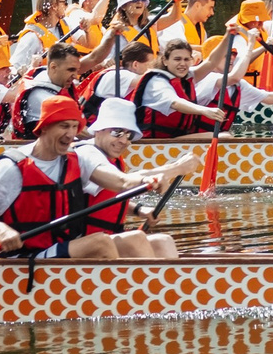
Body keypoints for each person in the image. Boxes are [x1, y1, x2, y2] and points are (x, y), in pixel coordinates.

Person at [0, 96, 96, 258]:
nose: (71, 134)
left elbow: (119, 182)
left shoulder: (74, 159)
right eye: (64, 126)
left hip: (57, 253)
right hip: (22, 261)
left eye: (75, 127)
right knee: (100, 243)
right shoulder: (10, 168)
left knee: (132, 239)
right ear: (45, 127)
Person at [68, 98, 188, 258]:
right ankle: (152, 282)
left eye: (128, 134)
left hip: (107, 237)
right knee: (135, 238)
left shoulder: (110, 156)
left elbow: (105, 198)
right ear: (98, 130)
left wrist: (138, 210)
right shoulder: (87, 153)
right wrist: (177, 168)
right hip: (82, 242)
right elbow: (121, 182)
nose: (124, 140)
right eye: (117, 132)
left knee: (163, 241)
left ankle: (166, 281)